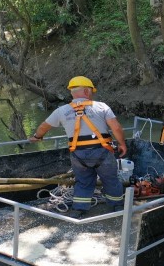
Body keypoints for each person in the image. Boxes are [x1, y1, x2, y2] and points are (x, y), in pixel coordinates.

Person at [29, 76, 127, 217]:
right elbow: (116, 127)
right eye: (91, 91)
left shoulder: (61, 111)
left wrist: (37, 137)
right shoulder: (102, 107)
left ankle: (79, 209)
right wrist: (122, 144)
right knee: (111, 179)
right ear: (87, 91)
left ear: (72, 93)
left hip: (78, 155)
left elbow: (44, 126)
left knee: (83, 182)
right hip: (102, 152)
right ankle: (117, 206)